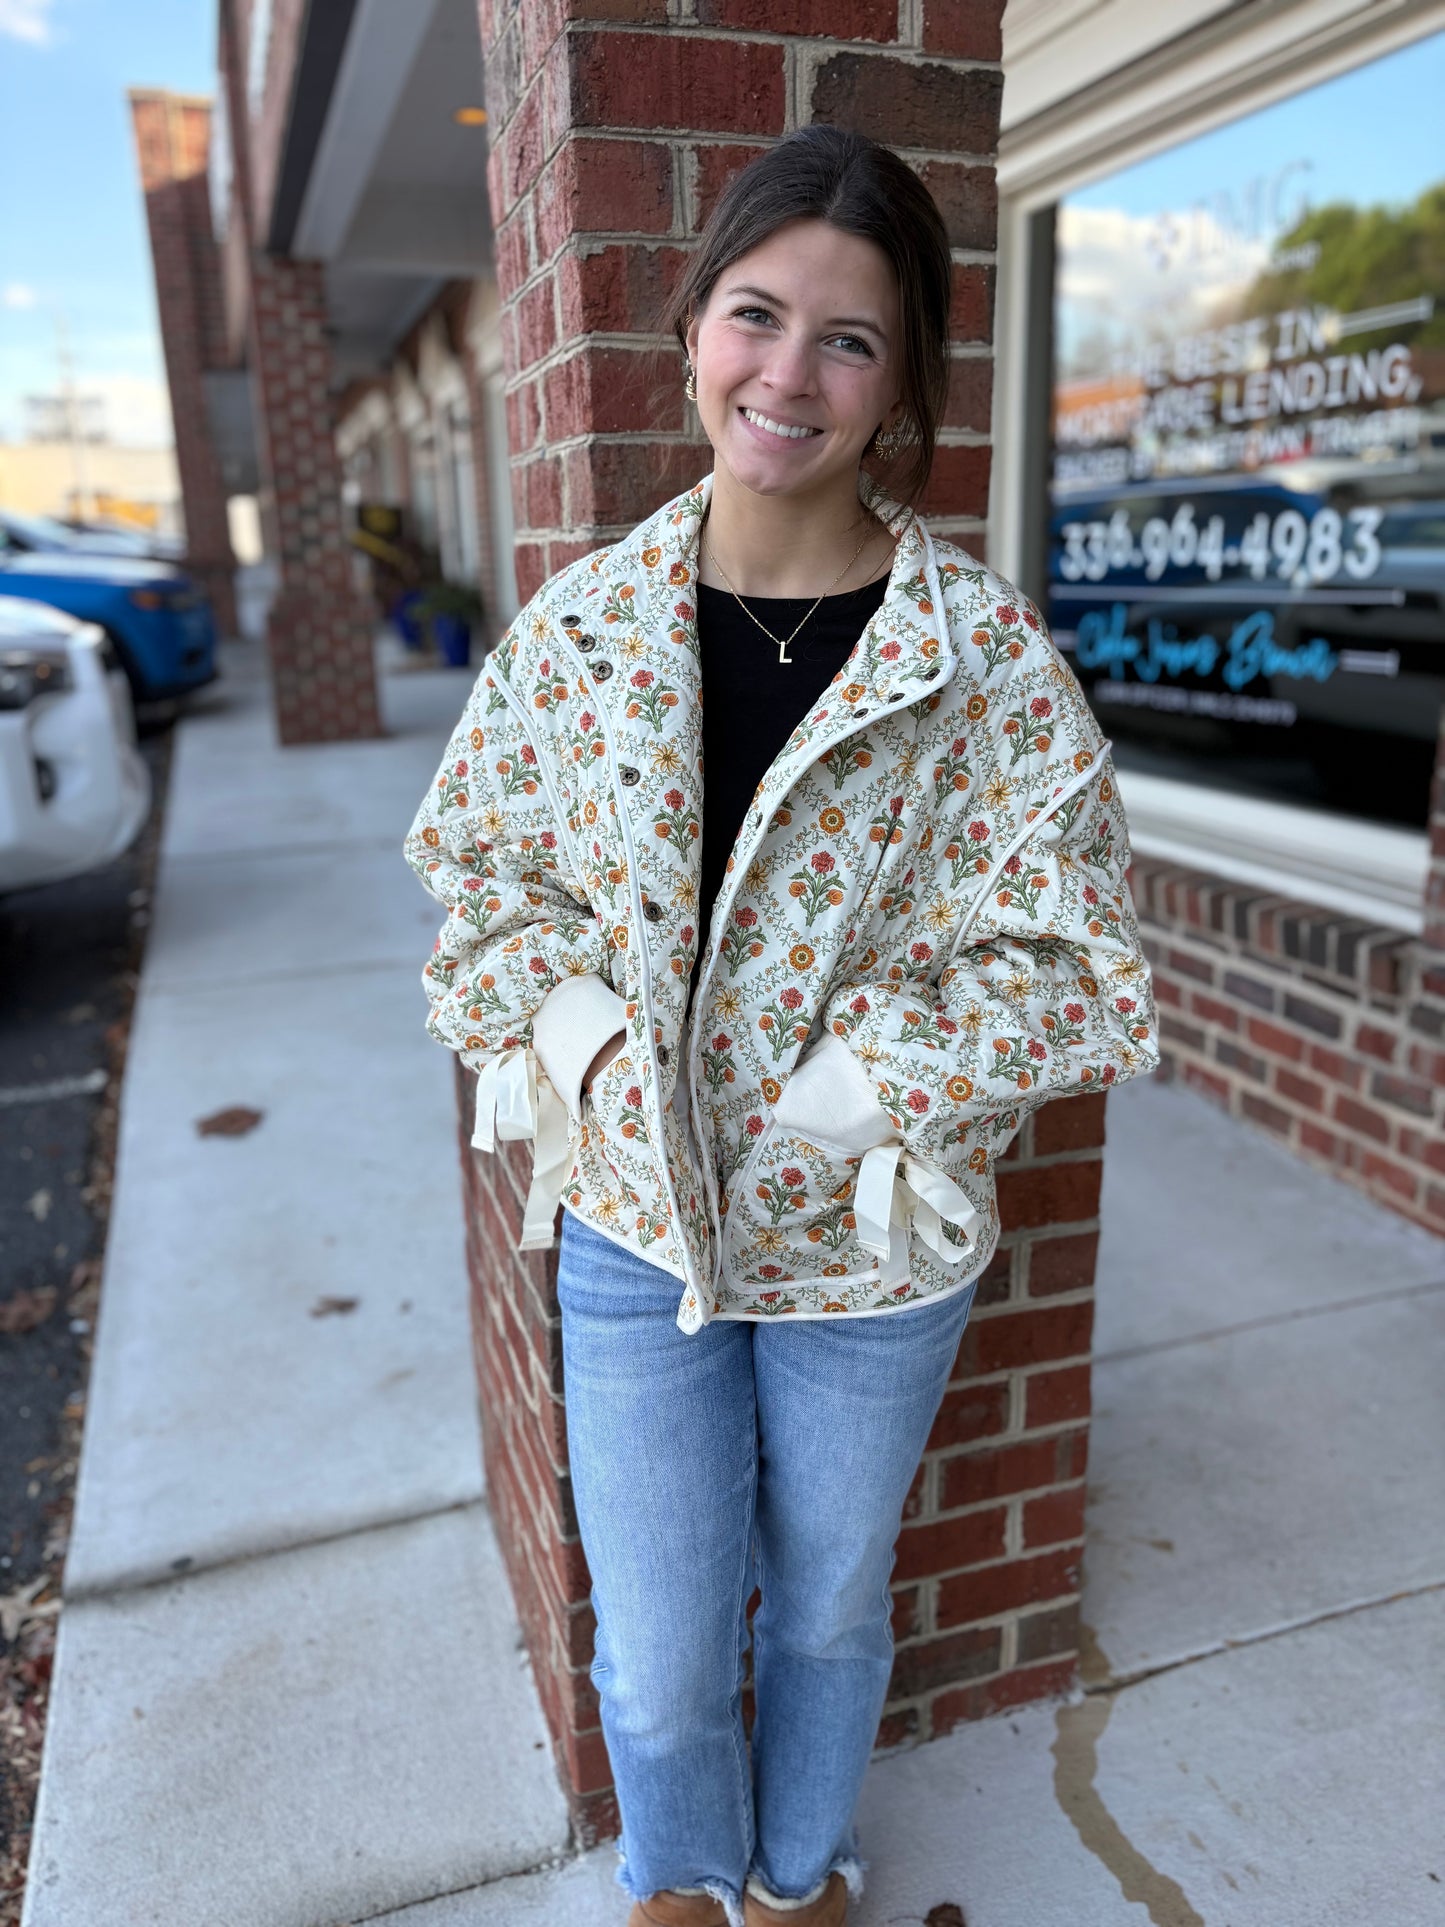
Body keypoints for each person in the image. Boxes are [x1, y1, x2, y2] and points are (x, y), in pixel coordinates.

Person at [404, 125, 1159, 1927]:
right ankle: (680, 1884)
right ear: (692, 332)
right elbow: (480, 886)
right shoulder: (581, 637)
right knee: (662, 1647)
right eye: (756, 315)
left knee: (823, 1603)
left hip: (872, 1249)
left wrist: (868, 1082)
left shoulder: (979, 664)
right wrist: (585, 1037)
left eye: (849, 339)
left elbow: (1086, 970)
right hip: (633, 1226)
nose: (788, 374)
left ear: (901, 385)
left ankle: (800, 1879)